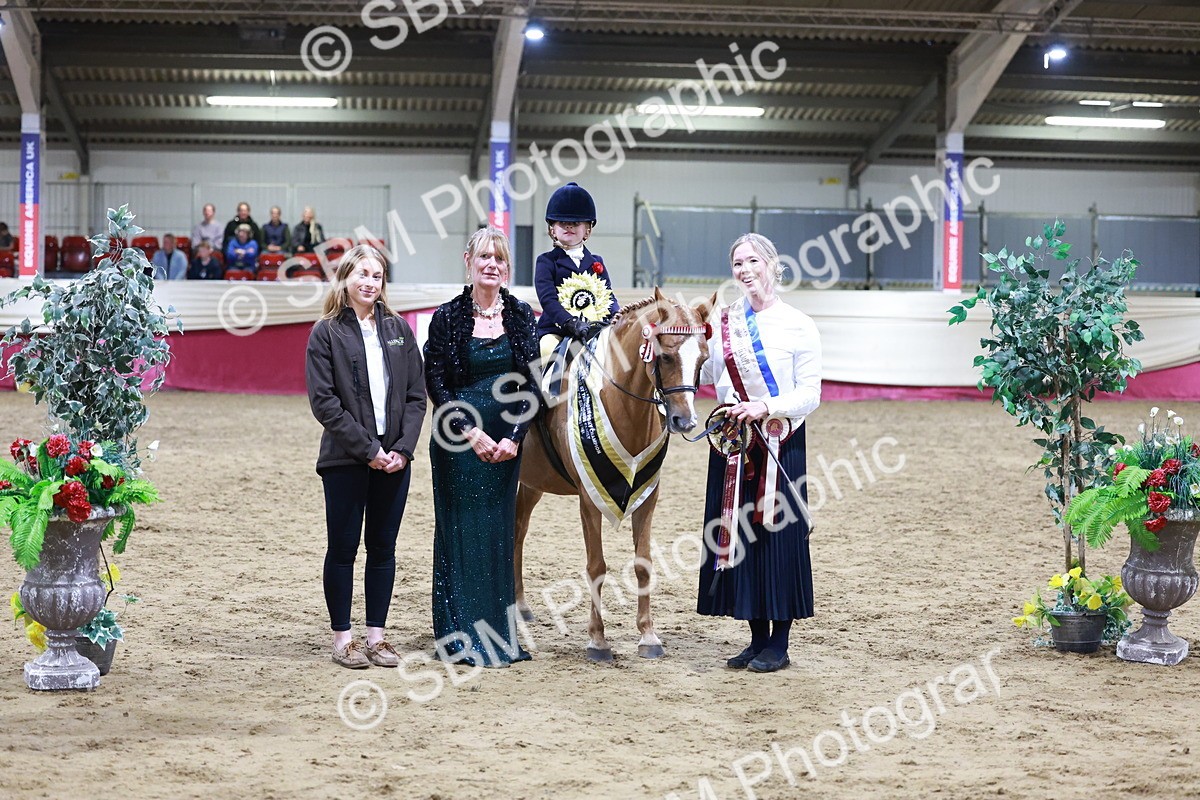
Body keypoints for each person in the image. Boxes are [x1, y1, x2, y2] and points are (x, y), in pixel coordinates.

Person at [696, 233, 821, 674]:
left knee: (777, 539)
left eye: (752, 261)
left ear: (772, 263)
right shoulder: (727, 323)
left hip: (780, 442)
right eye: (737, 264)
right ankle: (756, 639)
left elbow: (811, 393)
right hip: (735, 444)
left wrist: (766, 406)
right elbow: (706, 369)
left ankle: (780, 642)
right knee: (738, 536)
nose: (745, 270)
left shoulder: (799, 324)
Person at [305, 244, 426, 669]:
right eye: (362, 275)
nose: (370, 282)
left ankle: (377, 636)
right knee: (342, 549)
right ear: (345, 279)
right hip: (345, 460)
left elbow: (416, 396)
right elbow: (324, 403)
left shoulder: (398, 329)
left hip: (394, 462)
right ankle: (344, 639)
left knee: (383, 548)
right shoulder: (326, 332)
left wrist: (401, 450)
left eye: (377, 276)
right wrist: (369, 450)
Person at [423, 227, 540, 668]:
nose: (492, 264)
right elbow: (436, 382)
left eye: (500, 258)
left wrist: (513, 438)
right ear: (467, 260)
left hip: (506, 448)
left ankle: (497, 635)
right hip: (459, 441)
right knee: (459, 532)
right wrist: (472, 434)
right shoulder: (447, 316)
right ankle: (459, 636)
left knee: (497, 534)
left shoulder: (521, 315)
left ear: (507, 267)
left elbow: (531, 383)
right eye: (484, 256)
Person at [534, 182, 619, 364]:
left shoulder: (597, 262)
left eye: (575, 223)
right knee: (546, 348)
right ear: (552, 229)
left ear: (587, 230)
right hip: (557, 330)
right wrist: (570, 322)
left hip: (594, 330)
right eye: (562, 223)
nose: (569, 227)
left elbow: (608, 297)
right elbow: (548, 300)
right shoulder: (546, 261)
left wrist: (618, 318)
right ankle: (550, 392)